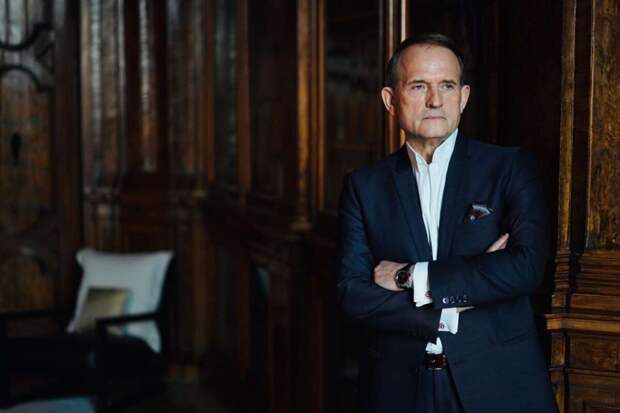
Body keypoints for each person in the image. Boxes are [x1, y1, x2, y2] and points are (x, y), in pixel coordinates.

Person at [337, 33, 558, 413]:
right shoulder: (364, 185)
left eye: (447, 86)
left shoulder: (509, 167)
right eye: (418, 86)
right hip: (398, 388)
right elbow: (352, 294)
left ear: (464, 97)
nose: (435, 100)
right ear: (390, 99)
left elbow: (524, 268)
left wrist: (410, 277)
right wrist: (448, 308)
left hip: (497, 384)